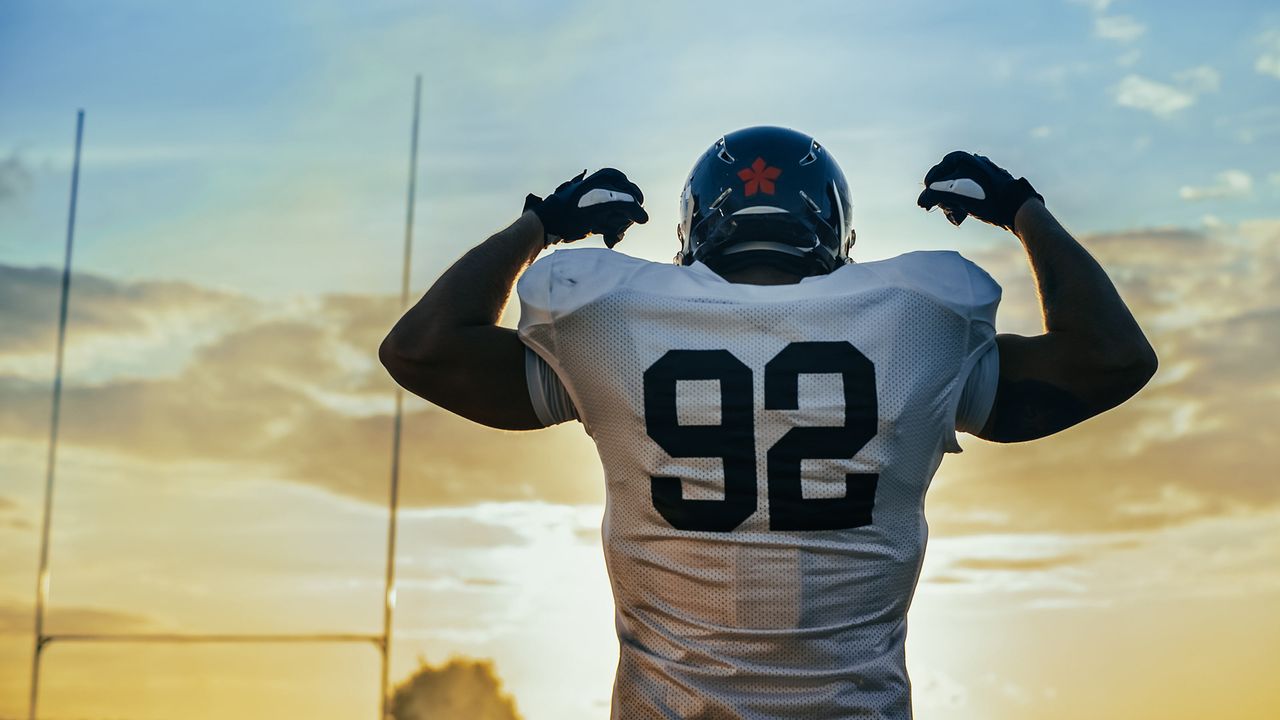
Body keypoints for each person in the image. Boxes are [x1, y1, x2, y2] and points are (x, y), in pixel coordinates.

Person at [379, 126, 1157, 719]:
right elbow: (1112, 359)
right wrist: (1025, 212)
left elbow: (420, 350)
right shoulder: (921, 319)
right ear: (835, 228)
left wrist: (539, 226)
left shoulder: (609, 320)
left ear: (693, 228)